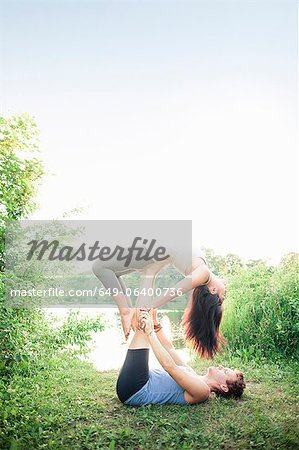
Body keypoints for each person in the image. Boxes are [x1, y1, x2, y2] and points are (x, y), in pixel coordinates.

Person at [92, 244, 226, 357]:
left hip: (154, 250)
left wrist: (149, 306)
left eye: (223, 297)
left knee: (100, 267)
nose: (226, 290)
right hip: (156, 249)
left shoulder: (204, 273)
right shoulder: (200, 268)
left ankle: (126, 311)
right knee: (107, 269)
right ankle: (127, 310)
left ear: (213, 290)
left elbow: (174, 292)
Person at [116, 309, 245, 406]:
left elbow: (169, 367)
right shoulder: (192, 374)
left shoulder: (203, 391)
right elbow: (169, 349)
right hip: (139, 381)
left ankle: (147, 277)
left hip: (135, 389)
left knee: (143, 317)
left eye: (225, 371)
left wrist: (150, 332)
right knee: (144, 313)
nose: (221, 367)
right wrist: (155, 325)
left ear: (224, 387)